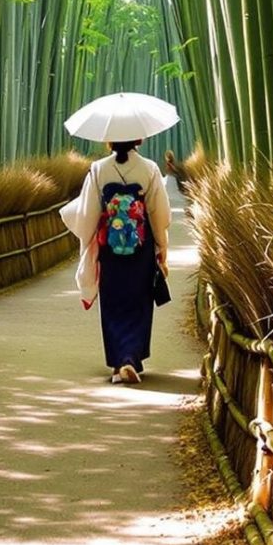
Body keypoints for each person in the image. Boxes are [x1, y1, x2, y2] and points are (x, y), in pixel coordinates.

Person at [61, 140, 170, 384]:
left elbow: (87, 214)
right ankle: (132, 357)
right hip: (141, 247)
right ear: (138, 139)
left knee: (112, 303)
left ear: (109, 140)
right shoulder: (149, 168)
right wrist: (161, 246)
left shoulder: (98, 169)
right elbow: (158, 214)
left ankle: (119, 361)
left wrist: (87, 248)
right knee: (139, 301)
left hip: (109, 246)